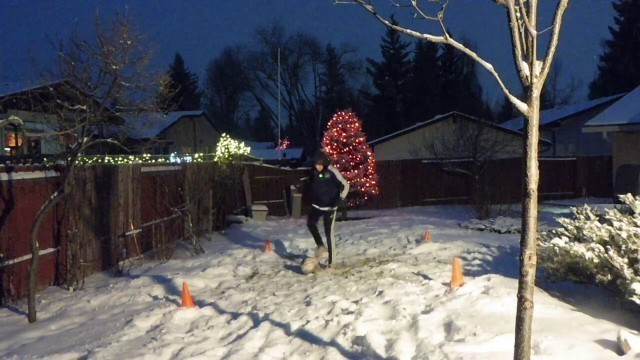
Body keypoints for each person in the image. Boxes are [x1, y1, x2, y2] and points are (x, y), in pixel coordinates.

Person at [306, 151, 349, 267]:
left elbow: (345, 185)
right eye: (316, 165)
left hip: (330, 207)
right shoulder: (314, 172)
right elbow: (310, 185)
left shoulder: (333, 172)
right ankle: (320, 245)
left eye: (319, 165)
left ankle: (331, 262)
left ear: (324, 163)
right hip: (317, 205)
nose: (317, 167)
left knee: (328, 233)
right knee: (310, 223)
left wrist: (341, 199)